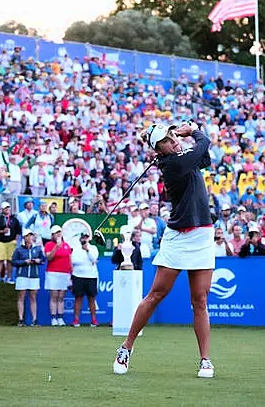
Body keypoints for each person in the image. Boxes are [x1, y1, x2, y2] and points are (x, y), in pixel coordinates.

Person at [113, 122, 216, 378]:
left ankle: (205, 359)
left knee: (200, 300)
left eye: (173, 137)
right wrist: (191, 129)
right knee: (156, 294)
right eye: (168, 141)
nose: (174, 141)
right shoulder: (172, 164)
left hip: (202, 234)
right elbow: (203, 144)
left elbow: (205, 157)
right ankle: (126, 347)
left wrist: (186, 135)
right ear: (159, 149)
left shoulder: (180, 158)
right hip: (178, 238)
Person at [11, 228, 45, 327]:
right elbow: (13, 262)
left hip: (34, 275)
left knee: (33, 297)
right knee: (21, 297)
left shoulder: (37, 248)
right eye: (27, 236)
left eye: (30, 235)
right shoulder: (19, 249)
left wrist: (38, 260)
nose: (29, 237)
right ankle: (21, 320)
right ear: (24, 238)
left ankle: (34, 320)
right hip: (22, 275)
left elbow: (43, 260)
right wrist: (24, 262)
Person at [44, 225, 72, 326]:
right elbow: (49, 258)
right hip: (52, 273)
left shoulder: (66, 245)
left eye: (59, 232)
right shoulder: (49, 245)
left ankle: (60, 318)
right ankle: (53, 318)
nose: (58, 234)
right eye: (56, 233)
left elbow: (69, 259)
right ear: (52, 235)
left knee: (61, 296)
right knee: (54, 295)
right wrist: (56, 247)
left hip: (64, 274)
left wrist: (71, 273)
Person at [71, 233, 100, 327]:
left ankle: (94, 320)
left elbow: (93, 259)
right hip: (78, 276)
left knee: (92, 298)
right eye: (83, 238)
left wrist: (87, 251)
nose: (84, 239)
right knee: (78, 298)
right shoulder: (75, 248)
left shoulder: (93, 248)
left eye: (86, 238)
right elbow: (74, 261)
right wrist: (89, 262)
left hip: (91, 276)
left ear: (89, 239)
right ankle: (76, 320)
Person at [0, 202, 21, 284]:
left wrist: (16, 239)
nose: (7, 209)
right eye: (5, 208)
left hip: (11, 241)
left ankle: (9, 278)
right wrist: (2, 231)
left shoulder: (14, 219)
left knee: (10, 261)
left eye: (8, 208)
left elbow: (18, 230)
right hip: (1, 241)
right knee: (0, 260)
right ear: (2, 209)